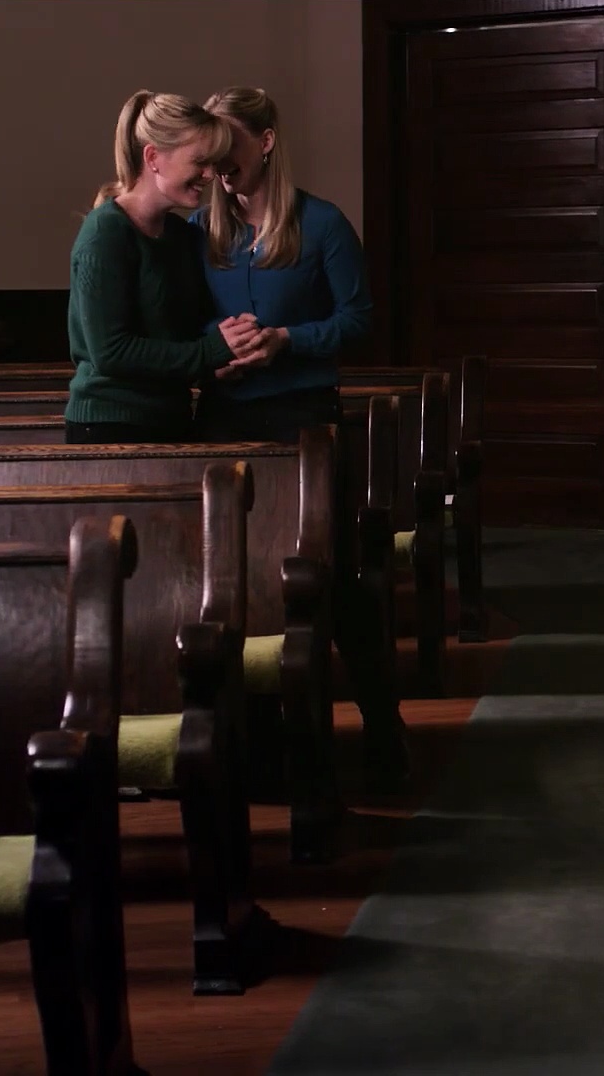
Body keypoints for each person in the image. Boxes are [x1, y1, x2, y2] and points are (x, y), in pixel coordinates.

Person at [191, 86, 409, 791]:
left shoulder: (322, 223)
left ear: (265, 141)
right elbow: (178, 321)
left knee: (330, 578)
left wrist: (287, 339)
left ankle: (383, 730)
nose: (219, 162)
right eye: (210, 149)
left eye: (230, 143)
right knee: (239, 584)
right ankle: (261, 749)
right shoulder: (197, 229)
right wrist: (214, 348)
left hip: (303, 421)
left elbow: (359, 319)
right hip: (224, 423)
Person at [65, 90, 262, 444]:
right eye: (200, 161)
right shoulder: (105, 232)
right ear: (153, 158)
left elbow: (180, 339)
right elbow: (111, 353)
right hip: (110, 425)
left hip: (173, 420)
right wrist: (209, 352)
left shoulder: (181, 235)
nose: (209, 174)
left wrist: (222, 361)